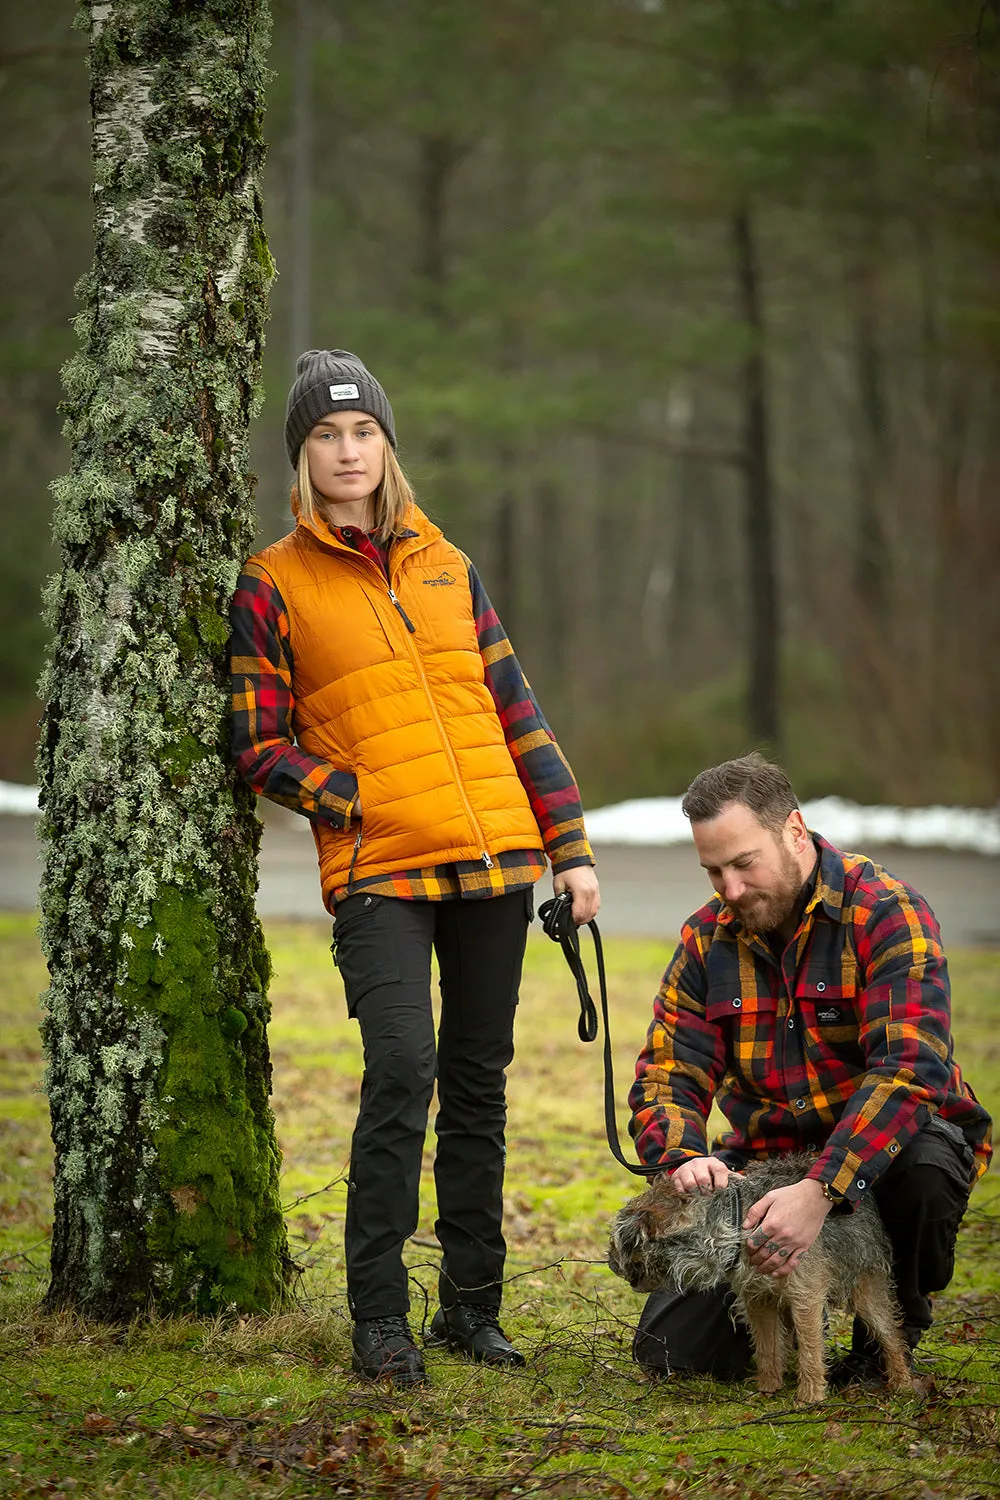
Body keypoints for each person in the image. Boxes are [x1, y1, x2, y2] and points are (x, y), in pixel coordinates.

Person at [230, 349, 599, 1386]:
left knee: (481, 1086)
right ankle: (378, 1320)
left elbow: (517, 713)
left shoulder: (446, 563)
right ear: (301, 457)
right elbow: (257, 745)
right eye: (325, 438)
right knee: (402, 1073)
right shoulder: (273, 583)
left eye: (363, 434)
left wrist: (567, 849)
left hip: (495, 864)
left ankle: (470, 1311)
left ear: (385, 445)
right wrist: (352, 799)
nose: (348, 453)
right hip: (382, 871)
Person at [627, 752, 992, 1385]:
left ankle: (894, 1319)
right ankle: (790, 1327)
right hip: (766, 1164)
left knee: (927, 1172)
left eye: (745, 864)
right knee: (675, 1354)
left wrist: (822, 1191)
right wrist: (683, 1156)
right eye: (713, 871)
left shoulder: (885, 913)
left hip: (889, 1154)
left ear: (795, 832)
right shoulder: (703, 939)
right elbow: (668, 1071)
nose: (730, 890)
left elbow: (909, 1071)